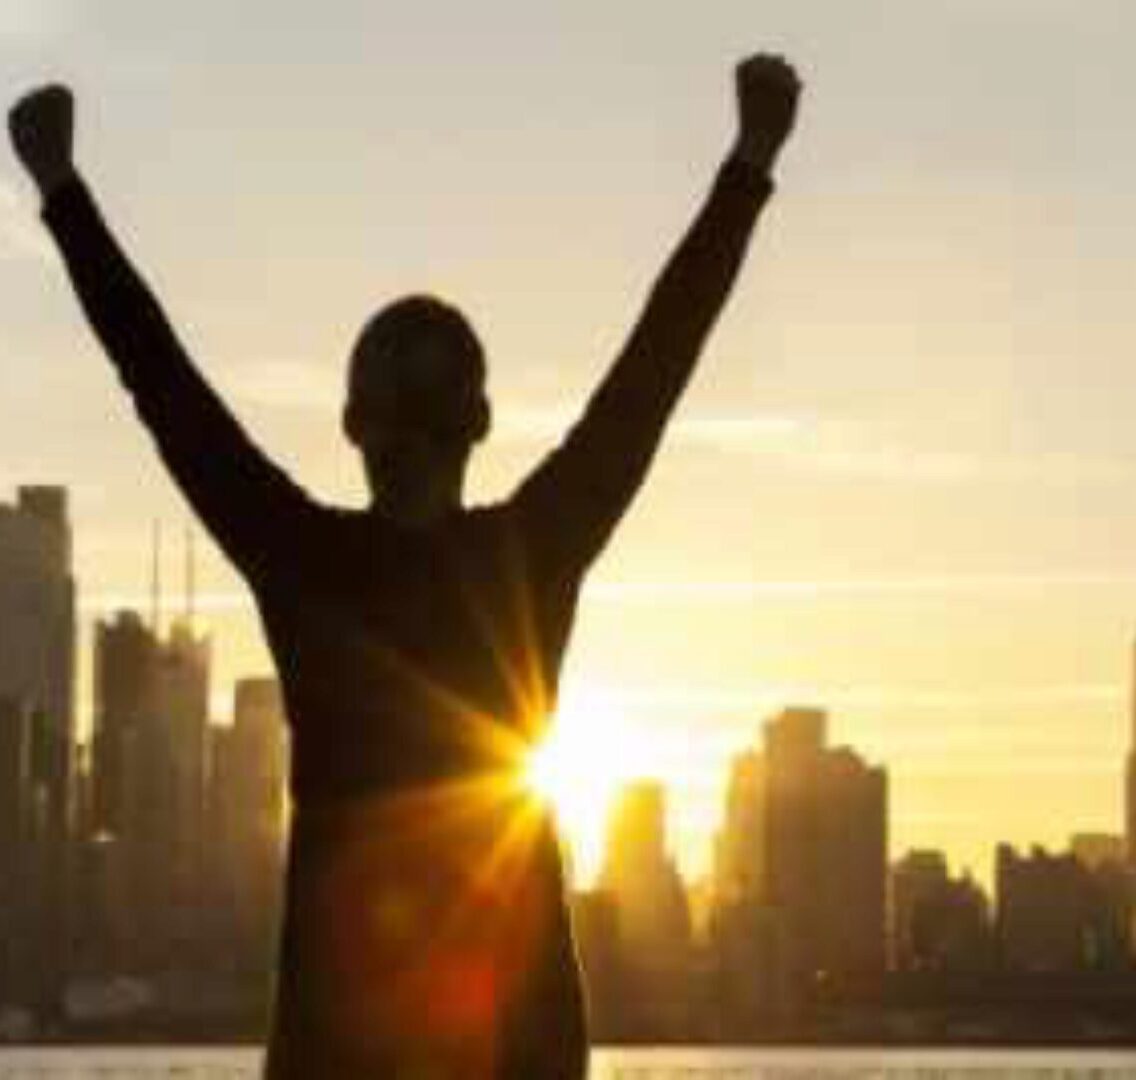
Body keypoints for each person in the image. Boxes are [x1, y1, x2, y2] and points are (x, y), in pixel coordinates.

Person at [9, 52, 801, 1079]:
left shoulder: (309, 561)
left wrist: (64, 191)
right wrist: (748, 165)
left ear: (354, 424)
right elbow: (654, 368)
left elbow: (162, 385)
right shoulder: (523, 555)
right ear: (477, 421)